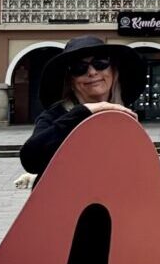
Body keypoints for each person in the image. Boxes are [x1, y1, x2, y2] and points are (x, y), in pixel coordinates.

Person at [21, 35, 146, 174]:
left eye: (100, 63)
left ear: (113, 71)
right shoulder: (55, 116)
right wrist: (84, 112)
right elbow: (31, 160)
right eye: (79, 68)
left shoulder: (125, 117)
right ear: (70, 80)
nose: (92, 72)